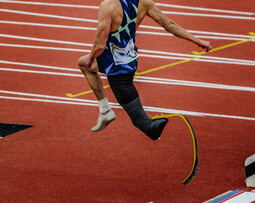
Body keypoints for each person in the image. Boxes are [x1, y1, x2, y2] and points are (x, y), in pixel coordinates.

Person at [78, 0, 212, 140]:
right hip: (130, 61)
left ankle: (149, 127)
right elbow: (169, 25)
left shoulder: (108, 6)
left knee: (141, 122)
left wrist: (91, 58)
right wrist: (197, 40)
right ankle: (105, 111)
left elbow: (99, 45)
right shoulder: (144, 2)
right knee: (82, 63)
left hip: (116, 68)